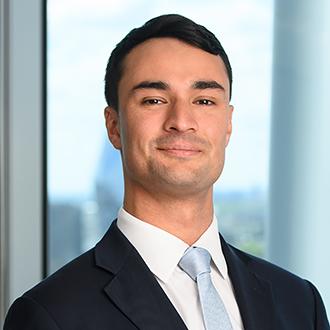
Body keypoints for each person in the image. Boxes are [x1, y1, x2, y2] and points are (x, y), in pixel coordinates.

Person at [4, 14, 329, 330]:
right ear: (114, 126)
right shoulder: (51, 315)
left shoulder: (299, 302)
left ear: (228, 125)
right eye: (154, 100)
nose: (181, 120)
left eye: (203, 101)